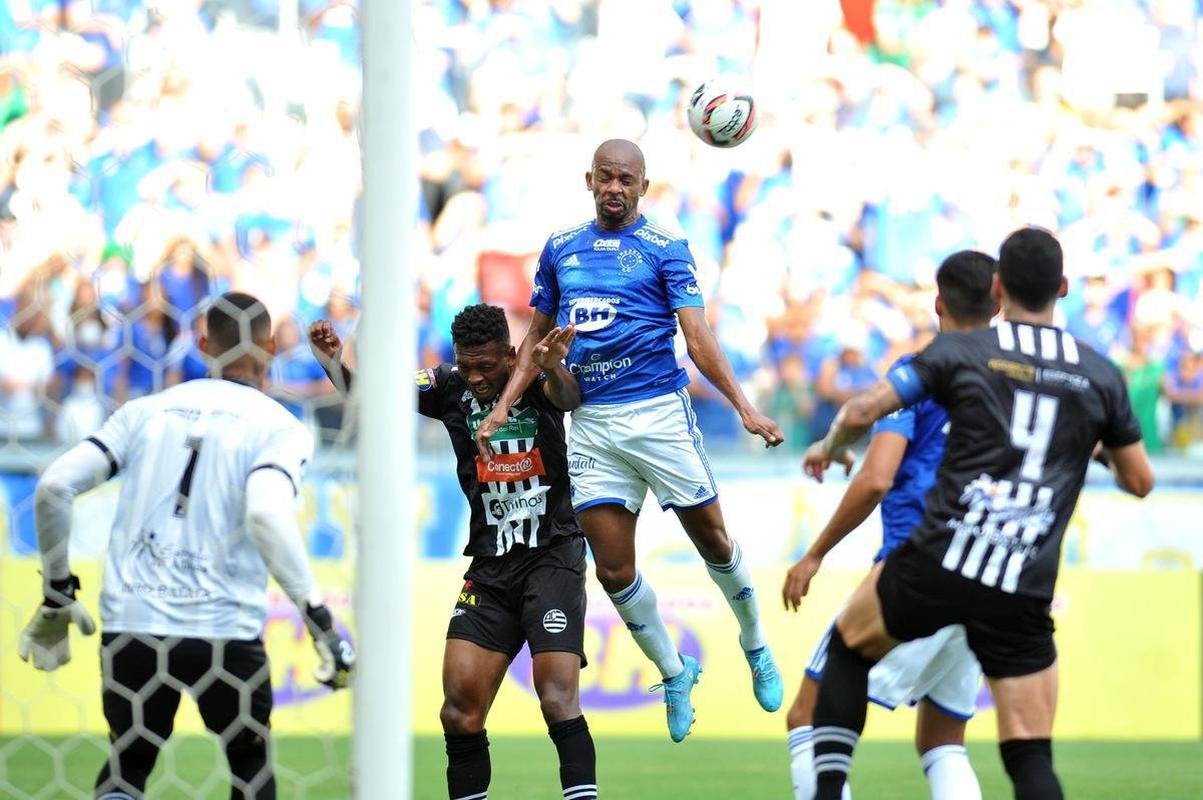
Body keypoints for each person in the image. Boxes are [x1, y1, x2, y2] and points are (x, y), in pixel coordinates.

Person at [801, 228, 1154, 800]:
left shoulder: (960, 351)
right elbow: (1139, 481)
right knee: (1028, 752)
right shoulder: (1100, 375)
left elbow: (867, 407)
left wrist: (831, 444)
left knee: (847, 650)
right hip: (1022, 578)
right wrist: (1096, 443)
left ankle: (826, 793)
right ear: (1062, 287)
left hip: (940, 555)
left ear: (998, 287)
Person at [475, 138, 786, 743]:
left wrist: (744, 407)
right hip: (592, 424)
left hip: (659, 417)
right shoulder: (561, 250)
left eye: (627, 180)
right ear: (589, 179)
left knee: (715, 541)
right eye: (606, 178)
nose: (615, 188)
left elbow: (696, 337)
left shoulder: (666, 248)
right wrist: (502, 408)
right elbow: (535, 344)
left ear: (644, 186)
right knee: (614, 571)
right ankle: (674, 671)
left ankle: (755, 641)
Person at [17, 292, 355, 799]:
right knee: (249, 766)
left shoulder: (145, 411)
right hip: (222, 626)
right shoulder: (279, 426)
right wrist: (319, 620)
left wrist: (58, 592)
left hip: (135, 622)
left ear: (202, 343)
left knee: (129, 762)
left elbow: (53, 487)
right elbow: (265, 511)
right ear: (269, 348)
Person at [308, 304, 599, 800]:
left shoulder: (533, 376)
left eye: (486, 366)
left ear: (509, 356)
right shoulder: (446, 385)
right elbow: (375, 397)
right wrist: (334, 363)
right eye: (468, 366)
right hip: (490, 566)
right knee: (458, 709)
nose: (477, 377)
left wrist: (551, 365)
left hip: (552, 556)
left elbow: (568, 397)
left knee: (556, 697)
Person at [782, 250, 999, 800]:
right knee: (943, 739)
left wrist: (814, 554)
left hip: (918, 563)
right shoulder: (1016, 380)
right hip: (990, 570)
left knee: (807, 716)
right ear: (997, 303)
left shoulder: (920, 375)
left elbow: (878, 478)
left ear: (938, 304)